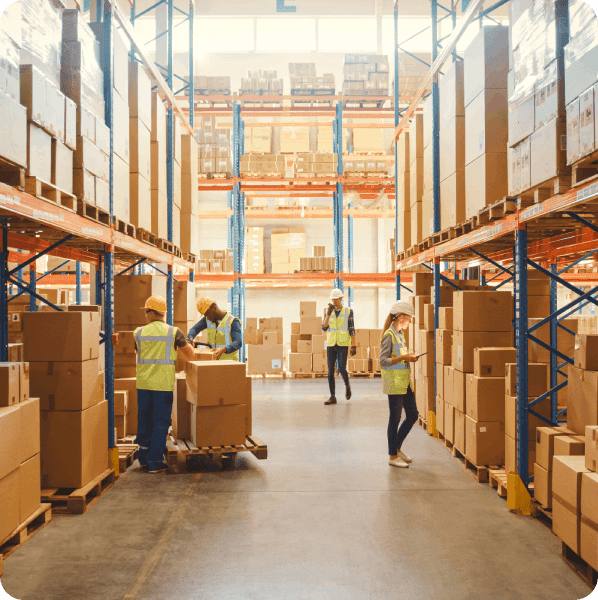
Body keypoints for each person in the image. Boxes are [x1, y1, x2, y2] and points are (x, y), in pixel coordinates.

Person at [135, 296, 196, 473]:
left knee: (144, 420)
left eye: (146, 311)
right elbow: (189, 355)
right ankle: (154, 462)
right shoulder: (174, 332)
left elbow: (139, 352)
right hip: (162, 386)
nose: (145, 315)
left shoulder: (138, 333)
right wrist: (188, 344)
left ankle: (144, 460)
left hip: (143, 384)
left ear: (152, 312)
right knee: (160, 422)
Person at [380, 300, 419, 468]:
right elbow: (383, 361)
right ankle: (392, 455)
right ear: (401, 317)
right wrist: (404, 357)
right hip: (394, 383)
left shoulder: (400, 334)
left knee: (412, 415)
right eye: (409, 318)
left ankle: (397, 447)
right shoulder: (389, 335)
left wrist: (409, 356)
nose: (410, 321)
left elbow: (400, 356)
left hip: (404, 382)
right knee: (394, 419)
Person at [322, 288, 357, 405]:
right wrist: (327, 314)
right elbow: (324, 327)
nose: (334, 301)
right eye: (332, 299)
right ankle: (332, 396)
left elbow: (352, 329)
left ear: (341, 299)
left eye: (336, 299)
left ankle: (347, 386)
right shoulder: (329, 310)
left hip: (342, 343)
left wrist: (353, 345)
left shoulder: (348, 311)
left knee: (341, 368)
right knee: (330, 371)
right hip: (331, 344)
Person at [187, 297, 243, 361]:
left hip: (229, 362)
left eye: (207, 314)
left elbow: (238, 342)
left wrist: (224, 349)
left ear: (214, 308)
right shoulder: (207, 319)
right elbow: (195, 329)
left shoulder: (233, 321)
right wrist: (190, 339)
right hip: (212, 360)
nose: (207, 318)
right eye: (205, 315)